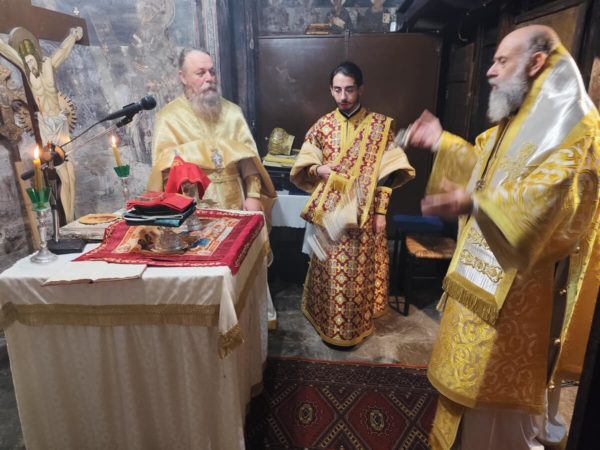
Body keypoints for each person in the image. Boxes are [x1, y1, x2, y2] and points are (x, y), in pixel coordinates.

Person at [407, 25, 599, 449]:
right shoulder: (520, 120)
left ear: (536, 63)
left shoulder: (573, 127)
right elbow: (486, 167)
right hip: (480, 284)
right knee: (467, 395)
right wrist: (442, 142)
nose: (490, 71)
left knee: (494, 411)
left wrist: (476, 204)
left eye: (501, 61)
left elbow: (550, 198)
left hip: (518, 296)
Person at [291, 61, 415, 347]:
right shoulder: (322, 126)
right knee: (330, 272)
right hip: (331, 214)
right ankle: (327, 323)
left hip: (364, 215)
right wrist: (318, 169)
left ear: (361, 89)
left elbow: (389, 173)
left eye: (349, 89)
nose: (343, 96)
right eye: (337, 90)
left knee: (356, 276)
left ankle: (354, 326)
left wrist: (381, 212)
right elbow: (305, 165)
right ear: (330, 90)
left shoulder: (380, 126)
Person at [147, 48, 276, 215]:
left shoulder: (233, 112)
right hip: (193, 207)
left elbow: (248, 161)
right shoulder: (168, 117)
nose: (209, 78)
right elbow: (164, 175)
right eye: (201, 73)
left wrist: (253, 196)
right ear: (183, 77)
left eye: (212, 72)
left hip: (235, 202)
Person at [1, 27, 83, 223]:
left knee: (72, 177)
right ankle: (68, 223)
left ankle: (73, 218)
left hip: (61, 123)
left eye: (32, 60)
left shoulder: (48, 65)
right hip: (47, 127)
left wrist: (73, 35)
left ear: (36, 56)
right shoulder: (26, 71)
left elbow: (62, 51)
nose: (30, 64)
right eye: (27, 61)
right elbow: (6, 50)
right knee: (63, 176)